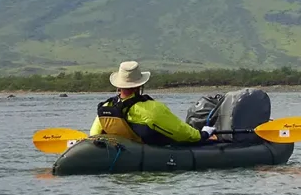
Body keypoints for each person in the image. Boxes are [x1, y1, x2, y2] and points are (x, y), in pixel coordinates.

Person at [89, 60, 218, 145]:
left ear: (118, 86)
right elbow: (179, 131)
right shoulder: (152, 108)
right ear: (140, 85)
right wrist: (203, 134)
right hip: (152, 151)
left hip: (124, 152)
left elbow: (94, 134)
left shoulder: (106, 107)